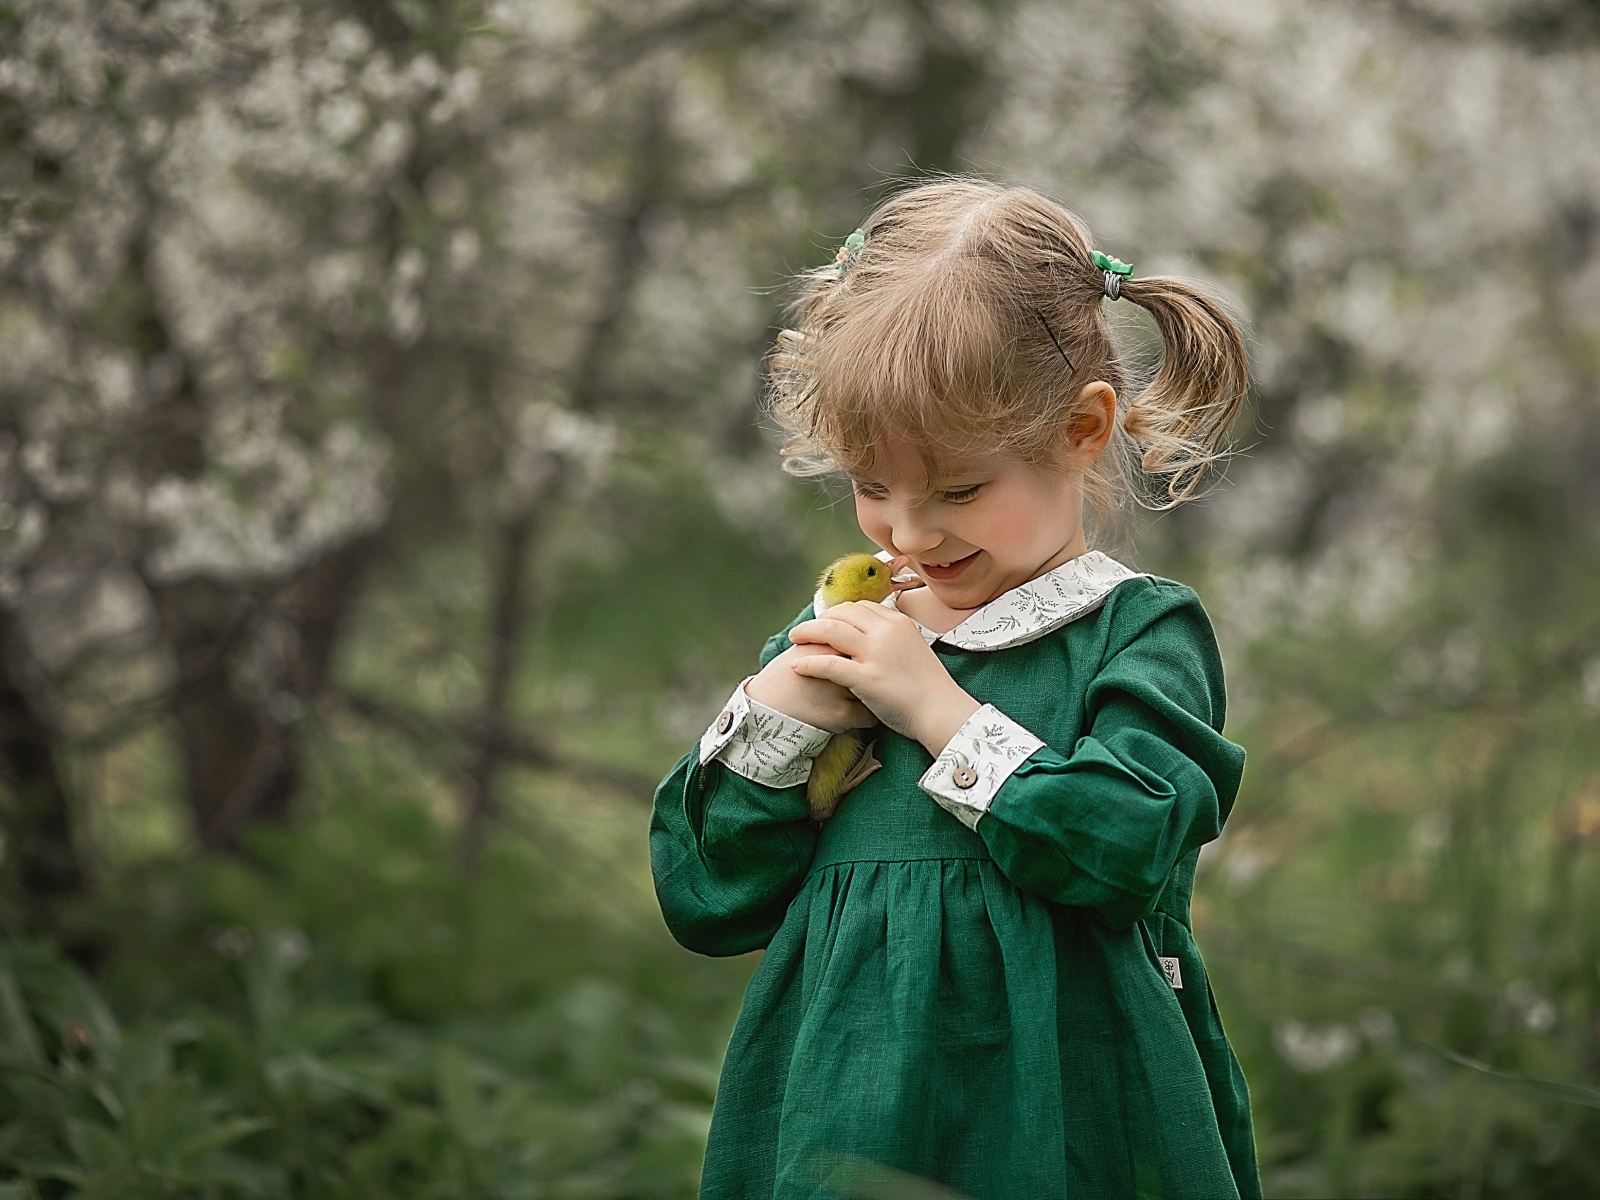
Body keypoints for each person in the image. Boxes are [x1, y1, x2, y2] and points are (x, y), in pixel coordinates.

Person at [649, 178, 1258, 1199]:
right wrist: (778, 723)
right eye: (870, 485)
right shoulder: (848, 638)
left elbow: (1122, 851)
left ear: (1081, 428)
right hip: (846, 1106)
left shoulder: (1134, 634)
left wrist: (938, 714)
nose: (909, 532)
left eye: (959, 490)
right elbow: (706, 897)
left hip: (1064, 1109)